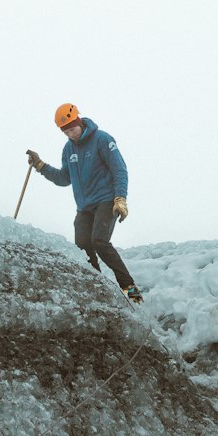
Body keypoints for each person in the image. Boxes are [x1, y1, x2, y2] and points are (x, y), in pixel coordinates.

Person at [27, 103, 143, 304]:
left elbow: (119, 169)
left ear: (79, 122)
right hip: (84, 207)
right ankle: (99, 292)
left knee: (100, 241)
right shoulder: (68, 149)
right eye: (66, 132)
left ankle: (133, 295)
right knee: (82, 247)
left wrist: (121, 198)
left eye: (72, 129)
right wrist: (41, 166)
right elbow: (64, 178)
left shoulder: (102, 139)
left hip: (107, 200)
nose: (70, 134)